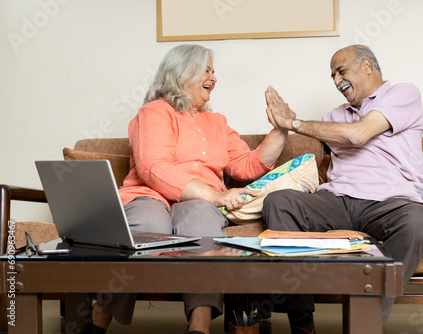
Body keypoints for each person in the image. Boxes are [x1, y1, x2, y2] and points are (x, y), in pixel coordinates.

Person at [91, 44, 289, 334]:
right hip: (150, 195)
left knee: (201, 219)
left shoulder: (216, 122)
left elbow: (247, 164)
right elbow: (153, 167)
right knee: (148, 224)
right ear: (182, 73)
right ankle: (97, 320)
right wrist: (213, 194)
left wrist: (281, 129)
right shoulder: (154, 112)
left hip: (200, 203)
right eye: (207, 70)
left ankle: (200, 325)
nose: (214, 77)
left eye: (214, 71)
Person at [262, 44, 423, 328]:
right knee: (279, 201)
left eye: (341, 71)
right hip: (338, 202)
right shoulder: (335, 116)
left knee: (419, 222)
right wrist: (284, 124)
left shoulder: (403, 94)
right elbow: (316, 132)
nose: (336, 81)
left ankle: (365, 324)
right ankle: (301, 321)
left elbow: (358, 135)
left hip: (391, 203)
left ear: (367, 66)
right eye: (332, 76)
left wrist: (294, 121)